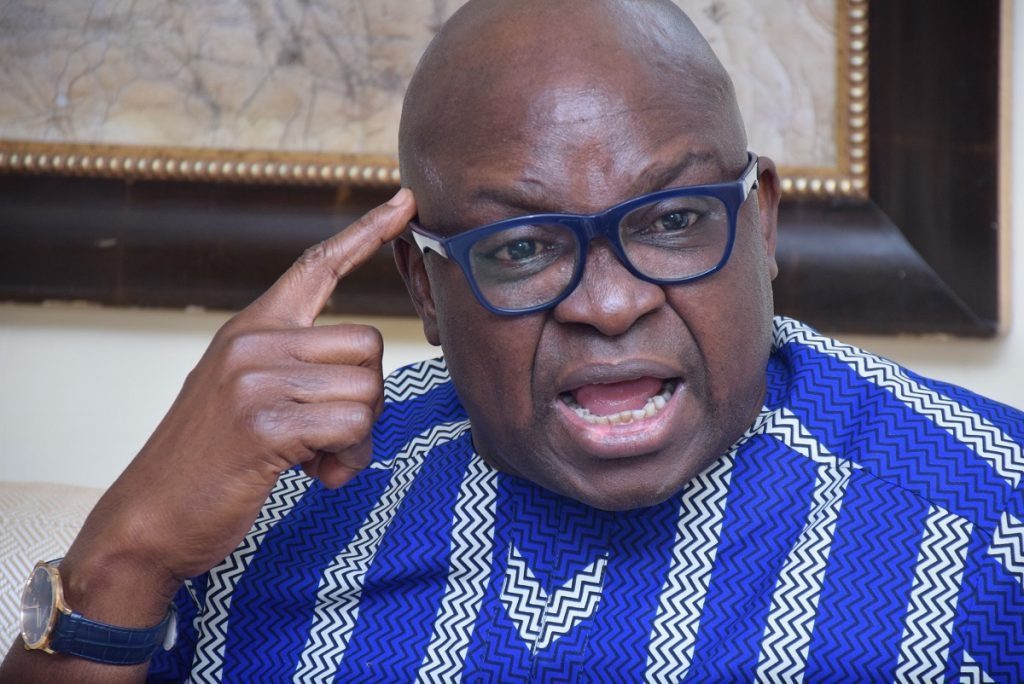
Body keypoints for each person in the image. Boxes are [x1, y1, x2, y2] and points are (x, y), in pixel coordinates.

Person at [4, 0, 1023, 681]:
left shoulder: (990, 527)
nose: (610, 304)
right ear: (425, 286)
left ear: (758, 224)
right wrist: (126, 550)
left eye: (673, 220)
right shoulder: (269, 505)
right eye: (523, 246)